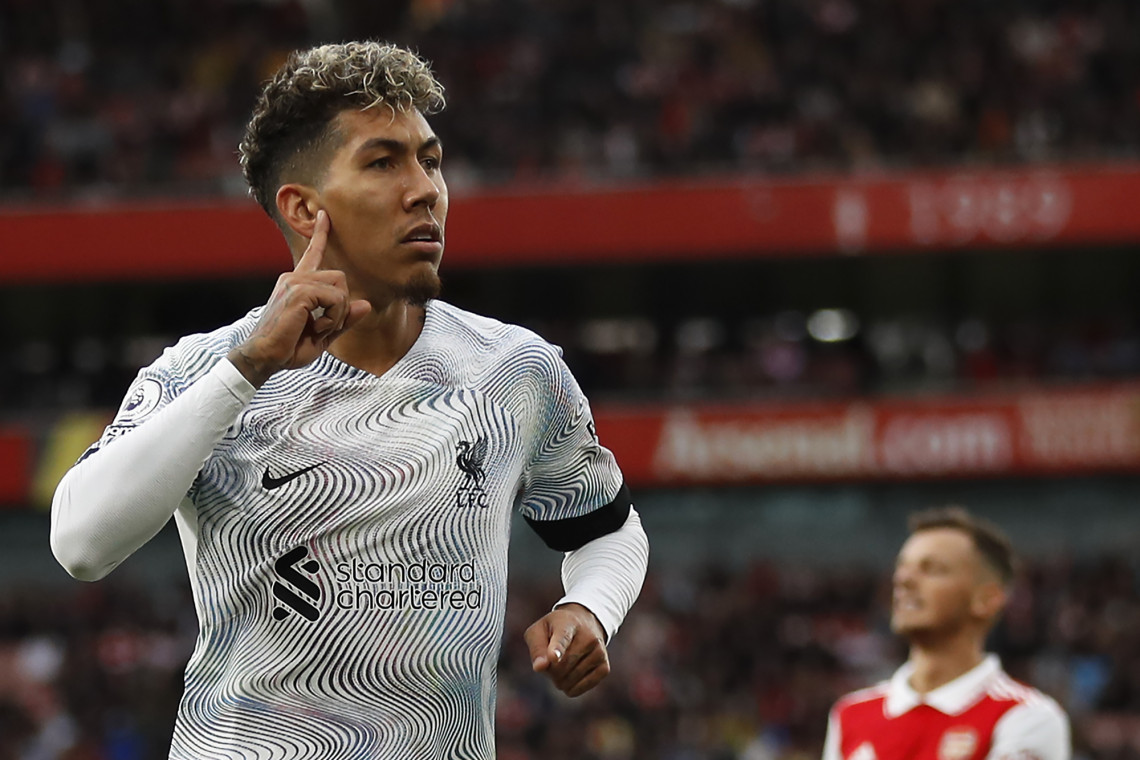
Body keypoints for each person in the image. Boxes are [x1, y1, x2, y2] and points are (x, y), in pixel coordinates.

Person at [50, 41, 649, 759]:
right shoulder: (209, 370)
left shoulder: (513, 370)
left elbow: (608, 530)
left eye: (430, 160)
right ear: (305, 208)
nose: (425, 189)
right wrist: (248, 370)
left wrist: (589, 606)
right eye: (383, 163)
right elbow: (81, 544)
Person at [823, 507, 1069, 760]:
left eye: (932, 569)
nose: (903, 580)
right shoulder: (849, 714)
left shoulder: (1027, 716)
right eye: (902, 567)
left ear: (987, 599)